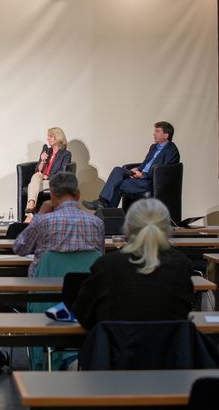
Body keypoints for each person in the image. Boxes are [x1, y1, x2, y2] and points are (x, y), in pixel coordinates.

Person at [73, 198, 194, 330]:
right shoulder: (181, 265)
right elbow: (184, 312)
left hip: (115, 348)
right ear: (167, 229)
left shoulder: (107, 265)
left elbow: (83, 315)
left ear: (127, 229)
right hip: (170, 349)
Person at [13, 172, 105, 277]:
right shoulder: (96, 223)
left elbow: (19, 248)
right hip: (85, 289)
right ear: (78, 194)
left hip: (44, 289)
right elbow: (100, 258)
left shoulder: (43, 221)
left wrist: (39, 215)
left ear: (52, 195)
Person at [83, 121, 180, 210]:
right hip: (141, 176)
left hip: (150, 182)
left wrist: (142, 175)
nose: (154, 134)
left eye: (158, 131)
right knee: (117, 170)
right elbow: (147, 163)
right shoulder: (154, 147)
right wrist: (138, 169)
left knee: (118, 184)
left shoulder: (171, 150)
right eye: (155, 131)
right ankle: (103, 203)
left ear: (166, 135)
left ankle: (104, 207)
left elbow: (163, 172)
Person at [25, 127, 72, 214]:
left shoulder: (65, 154)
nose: (48, 138)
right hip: (40, 179)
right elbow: (37, 170)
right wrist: (42, 160)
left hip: (52, 181)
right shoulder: (47, 150)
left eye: (50, 136)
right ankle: (31, 208)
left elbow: (63, 172)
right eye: (48, 136)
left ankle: (29, 213)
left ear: (58, 137)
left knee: (31, 185)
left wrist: (48, 176)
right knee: (36, 176)